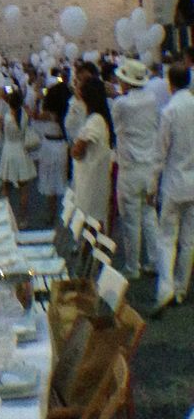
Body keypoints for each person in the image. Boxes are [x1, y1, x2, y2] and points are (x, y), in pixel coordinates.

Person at [113, 58, 162, 280]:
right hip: (149, 167)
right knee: (149, 215)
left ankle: (133, 266)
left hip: (130, 169)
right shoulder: (151, 99)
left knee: (131, 220)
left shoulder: (121, 104)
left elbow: (117, 127)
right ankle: (155, 260)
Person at [154, 64, 194, 314]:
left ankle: (166, 288)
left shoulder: (169, 110)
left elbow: (160, 152)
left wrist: (152, 183)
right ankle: (181, 289)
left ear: (170, 83)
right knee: (189, 240)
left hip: (173, 181)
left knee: (167, 237)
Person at [71, 77, 114, 228]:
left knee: (90, 218)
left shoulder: (95, 120)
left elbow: (77, 150)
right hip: (91, 175)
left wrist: (75, 147)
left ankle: (91, 249)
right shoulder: (95, 117)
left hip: (91, 178)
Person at [0, 89, 37, 224]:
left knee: (6, 187)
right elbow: (30, 112)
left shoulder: (6, 117)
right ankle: (22, 217)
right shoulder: (24, 115)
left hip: (8, 152)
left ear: (9, 103)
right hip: (21, 151)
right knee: (24, 188)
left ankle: (8, 216)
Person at [33, 81, 70, 227]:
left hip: (48, 146)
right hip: (61, 146)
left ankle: (51, 213)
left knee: (49, 180)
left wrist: (38, 99)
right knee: (61, 178)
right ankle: (65, 212)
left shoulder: (48, 114)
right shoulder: (65, 113)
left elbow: (34, 115)